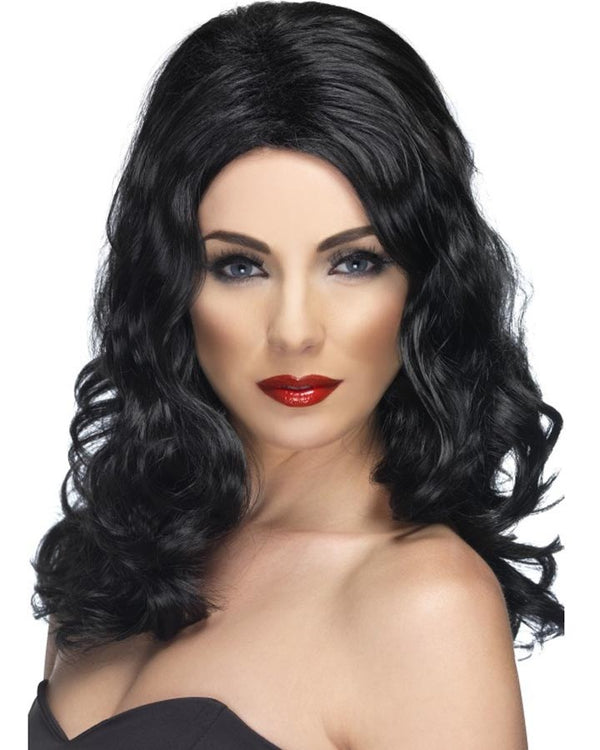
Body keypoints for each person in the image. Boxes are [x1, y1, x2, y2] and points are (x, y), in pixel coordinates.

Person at [28, 2, 564, 748]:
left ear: (425, 285)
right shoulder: (111, 555)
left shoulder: (424, 605)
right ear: (170, 284)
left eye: (354, 262)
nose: (294, 331)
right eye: (239, 266)